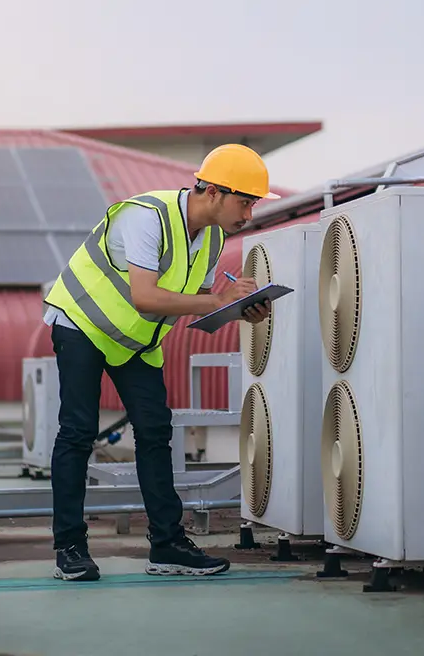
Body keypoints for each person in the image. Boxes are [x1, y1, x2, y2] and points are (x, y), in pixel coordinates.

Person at [40, 143, 280, 581]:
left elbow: (195, 298)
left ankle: (167, 546)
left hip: (135, 339)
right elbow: (146, 295)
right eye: (245, 201)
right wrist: (216, 298)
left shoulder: (212, 237)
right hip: (82, 322)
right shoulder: (145, 216)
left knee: (155, 431)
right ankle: (70, 548)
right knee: (77, 431)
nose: (249, 213)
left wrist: (238, 306)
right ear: (214, 193)